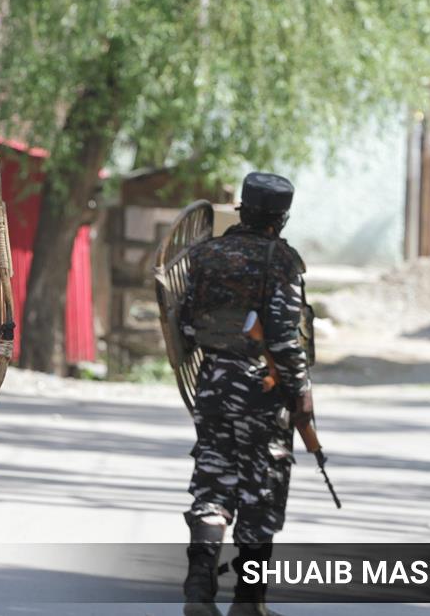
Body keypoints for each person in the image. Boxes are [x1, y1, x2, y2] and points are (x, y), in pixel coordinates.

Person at [178, 172, 314, 616]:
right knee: (260, 492)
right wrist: (301, 392)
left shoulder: (205, 254)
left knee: (213, 483)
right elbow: (284, 339)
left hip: (213, 382)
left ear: (242, 209)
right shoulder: (282, 260)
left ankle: (199, 589)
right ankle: (248, 601)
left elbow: (184, 325)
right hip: (262, 390)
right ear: (281, 218)